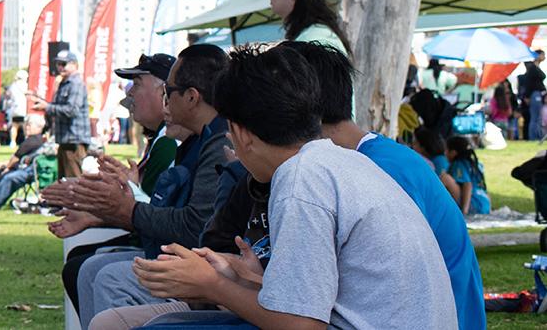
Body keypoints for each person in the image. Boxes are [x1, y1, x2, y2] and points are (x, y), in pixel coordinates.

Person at [95, 41, 483, 330]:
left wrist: (211, 284)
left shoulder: (302, 179)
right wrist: (247, 278)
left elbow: (302, 326)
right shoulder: (335, 162)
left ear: (242, 133)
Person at [64, 45, 244, 323]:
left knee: (107, 278)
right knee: (92, 271)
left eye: (168, 92)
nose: (130, 94)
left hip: (210, 275)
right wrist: (114, 207)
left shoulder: (217, 142)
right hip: (197, 264)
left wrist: (126, 208)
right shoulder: (202, 140)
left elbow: (195, 226)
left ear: (192, 97)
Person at [39, 53, 175, 308]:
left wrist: (99, 203)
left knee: (87, 268)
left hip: (165, 252)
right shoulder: (163, 140)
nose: (129, 94)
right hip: (156, 243)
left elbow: (159, 214)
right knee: (81, 263)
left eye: (137, 84)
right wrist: (96, 210)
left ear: (165, 93)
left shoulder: (169, 142)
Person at [35, 49, 90, 178]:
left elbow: (71, 110)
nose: (60, 67)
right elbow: (60, 108)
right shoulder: (64, 83)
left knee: (73, 181)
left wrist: (47, 107)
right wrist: (44, 105)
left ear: (74, 64)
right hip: (66, 140)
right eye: (58, 64)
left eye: (63, 64)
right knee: (65, 181)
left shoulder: (75, 84)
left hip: (74, 140)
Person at [444, 136, 492, 216]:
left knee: (445, 178)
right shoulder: (475, 164)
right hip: (484, 203)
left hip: (473, 204)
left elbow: (467, 185)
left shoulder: (458, 164)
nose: (444, 153)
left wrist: (464, 211)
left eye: (446, 150)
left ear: (453, 152)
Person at [521, 50, 545, 140]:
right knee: (535, 117)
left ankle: (537, 136)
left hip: (537, 94)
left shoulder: (536, 67)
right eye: (543, 55)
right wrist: (527, 96)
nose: (544, 57)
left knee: (537, 117)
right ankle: (533, 137)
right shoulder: (532, 68)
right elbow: (529, 83)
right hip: (535, 95)